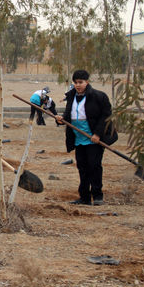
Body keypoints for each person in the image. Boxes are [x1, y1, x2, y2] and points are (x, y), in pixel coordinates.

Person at [55, 70, 116, 206]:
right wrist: (62, 119)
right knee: (82, 167)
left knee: (94, 166)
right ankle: (84, 197)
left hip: (93, 139)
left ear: (87, 82)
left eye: (81, 82)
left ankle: (98, 196)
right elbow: (69, 113)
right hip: (79, 139)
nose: (78, 85)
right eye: (75, 82)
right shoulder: (71, 96)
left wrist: (97, 134)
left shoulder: (98, 97)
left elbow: (106, 116)